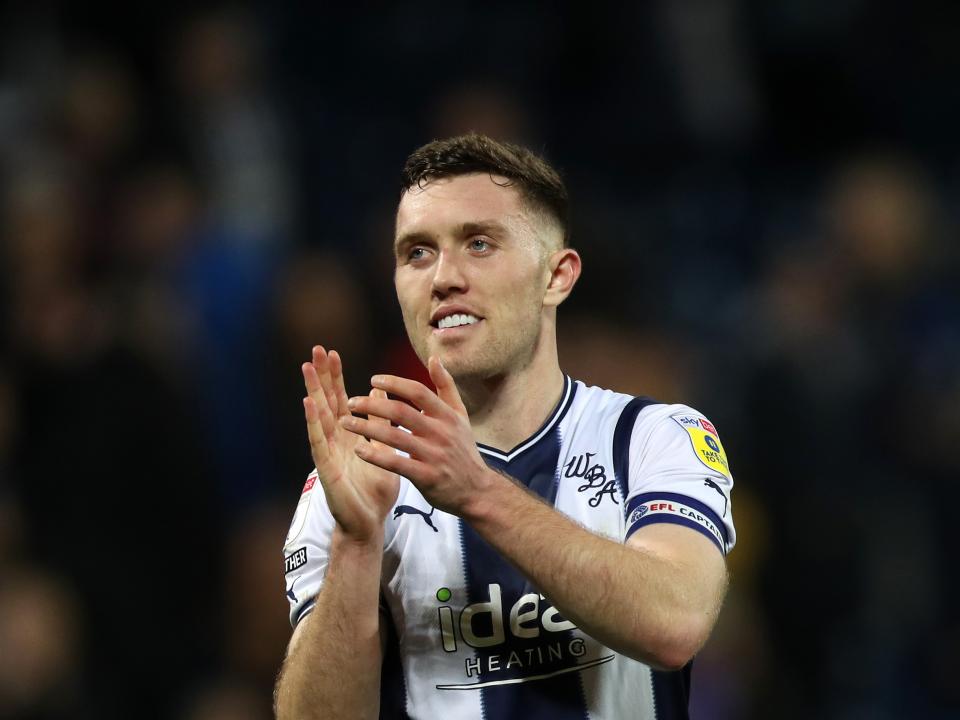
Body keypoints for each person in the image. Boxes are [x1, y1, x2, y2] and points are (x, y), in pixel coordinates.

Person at [274, 134, 736, 719]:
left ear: (557, 277)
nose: (443, 277)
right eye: (417, 252)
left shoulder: (652, 438)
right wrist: (356, 544)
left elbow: (675, 625)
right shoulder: (358, 479)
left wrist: (476, 490)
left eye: (480, 244)